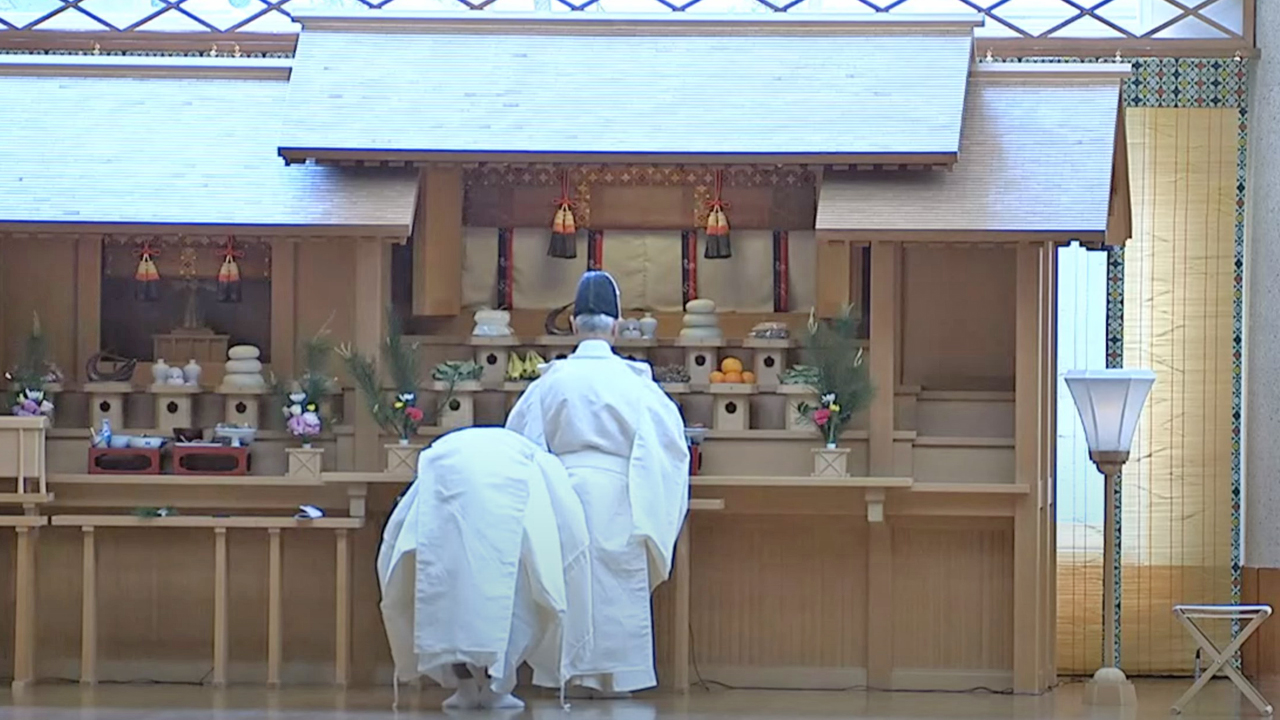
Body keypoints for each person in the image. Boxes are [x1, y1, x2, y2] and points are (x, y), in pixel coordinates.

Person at [506, 270, 691, 696]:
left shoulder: (548, 383)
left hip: (558, 495)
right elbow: (668, 449)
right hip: (619, 497)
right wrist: (653, 506)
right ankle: (617, 681)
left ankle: (562, 678)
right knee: (615, 588)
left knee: (564, 583)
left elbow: (522, 446)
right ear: (617, 325)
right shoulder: (636, 384)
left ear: (573, 325)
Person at [377, 426, 591, 711]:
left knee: (450, 598)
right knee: (514, 599)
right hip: (509, 511)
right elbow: (567, 520)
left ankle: (465, 684)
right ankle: (497, 684)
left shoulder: (448, 452)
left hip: (446, 507)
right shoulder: (531, 456)